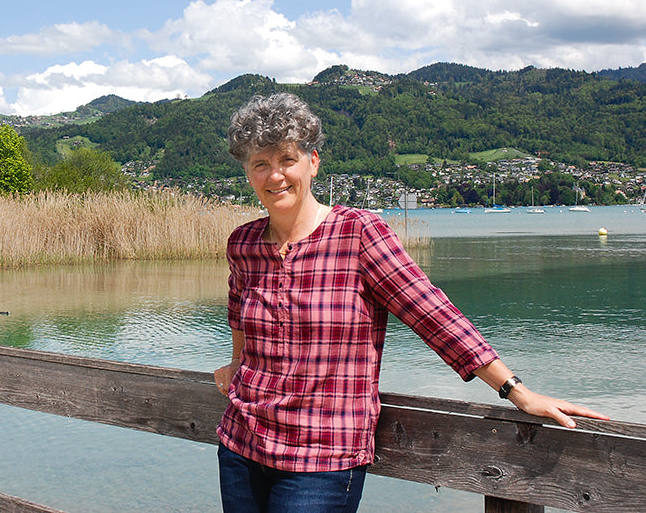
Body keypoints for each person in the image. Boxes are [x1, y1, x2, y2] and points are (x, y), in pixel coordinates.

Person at [212, 92, 608, 513]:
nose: (275, 176)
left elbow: (432, 315)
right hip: (242, 444)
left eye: (286, 159)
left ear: (313, 161)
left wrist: (517, 391)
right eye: (261, 164)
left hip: (322, 456)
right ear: (248, 172)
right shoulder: (244, 243)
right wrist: (237, 363)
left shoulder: (359, 234)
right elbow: (240, 310)